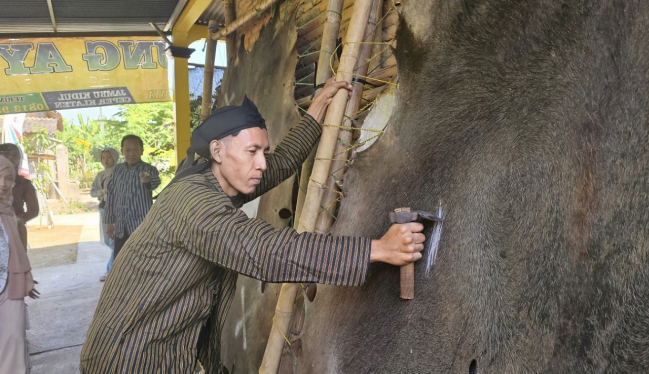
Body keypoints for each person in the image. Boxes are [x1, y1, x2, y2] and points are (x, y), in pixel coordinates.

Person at [80, 79, 426, 374]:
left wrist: (318, 108)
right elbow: (265, 251)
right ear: (217, 150)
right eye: (252, 152)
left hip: (168, 350)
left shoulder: (221, 180)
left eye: (264, 150)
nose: (261, 163)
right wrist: (378, 249)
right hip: (128, 355)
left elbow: (282, 162)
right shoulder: (192, 201)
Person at [0, 155, 39, 374]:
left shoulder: (7, 213)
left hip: (9, 286)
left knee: (14, 337)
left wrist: (26, 277)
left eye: (8, 179)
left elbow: (15, 250)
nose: (3, 184)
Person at [103, 135, 160, 259]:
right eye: (127, 150)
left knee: (142, 261)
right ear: (122, 150)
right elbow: (111, 196)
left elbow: (154, 183)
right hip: (120, 227)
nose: (131, 154)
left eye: (135, 150)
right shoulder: (116, 170)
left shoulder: (149, 169)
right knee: (120, 261)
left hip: (141, 227)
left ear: (142, 151)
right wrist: (109, 222)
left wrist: (147, 180)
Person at [0, 143, 39, 250]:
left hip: (15, 230)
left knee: (16, 264)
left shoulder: (24, 184)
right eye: (6, 154)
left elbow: (34, 210)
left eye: (15, 155)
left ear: (19, 159)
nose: (11, 157)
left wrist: (17, 220)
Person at [90, 147, 119, 281]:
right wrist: (102, 192)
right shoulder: (100, 175)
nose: (106, 160)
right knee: (108, 241)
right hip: (103, 208)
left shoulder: (121, 173)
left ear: (115, 157)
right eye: (103, 158)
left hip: (118, 209)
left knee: (115, 240)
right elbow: (92, 192)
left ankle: (111, 272)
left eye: (109, 157)